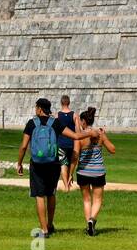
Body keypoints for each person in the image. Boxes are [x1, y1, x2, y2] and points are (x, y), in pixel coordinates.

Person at [16, 97, 92, 237]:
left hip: (37, 164)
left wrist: (19, 163)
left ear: (39, 109)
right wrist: (90, 133)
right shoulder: (55, 123)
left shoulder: (31, 123)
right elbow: (75, 136)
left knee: (39, 195)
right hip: (53, 163)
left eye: (36, 107)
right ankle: (50, 224)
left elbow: (23, 146)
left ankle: (43, 229)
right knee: (51, 193)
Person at [74, 106, 116, 236]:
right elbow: (112, 149)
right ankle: (92, 220)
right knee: (97, 200)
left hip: (83, 172)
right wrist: (105, 136)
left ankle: (89, 225)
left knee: (87, 200)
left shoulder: (81, 137)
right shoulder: (100, 135)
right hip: (98, 171)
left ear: (84, 122)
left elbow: (75, 156)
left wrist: (69, 173)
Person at [55, 95, 77, 191]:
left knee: (63, 165)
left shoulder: (57, 115)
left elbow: (55, 130)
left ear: (61, 103)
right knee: (71, 162)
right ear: (69, 103)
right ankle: (70, 177)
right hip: (72, 143)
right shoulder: (74, 115)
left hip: (61, 143)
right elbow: (78, 131)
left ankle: (66, 186)